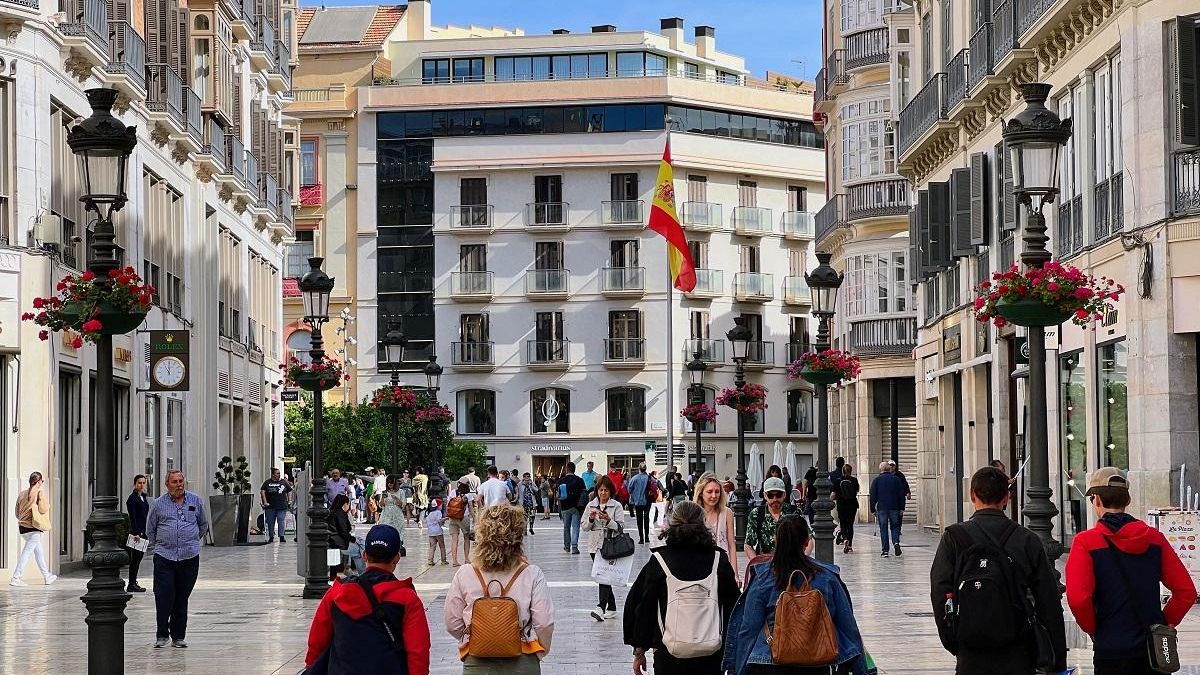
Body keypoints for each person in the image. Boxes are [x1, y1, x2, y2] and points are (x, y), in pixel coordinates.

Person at [930, 466, 1067, 675]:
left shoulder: (954, 537)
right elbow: (1048, 601)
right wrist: (1057, 659)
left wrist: (952, 639)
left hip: (970, 649)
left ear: (972, 495)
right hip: (1017, 646)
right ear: (1007, 497)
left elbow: (940, 592)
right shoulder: (1026, 539)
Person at [1065, 467, 1197, 675]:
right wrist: (1162, 623)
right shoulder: (1154, 538)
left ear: (1096, 500)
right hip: (1152, 648)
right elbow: (1186, 592)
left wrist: (1095, 629)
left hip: (1111, 648)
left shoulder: (1086, 542)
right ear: (1128, 500)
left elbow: (1078, 598)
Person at [723, 516, 869, 675]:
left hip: (769, 660)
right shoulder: (827, 577)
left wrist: (737, 669)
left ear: (776, 540)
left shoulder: (763, 578)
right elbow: (848, 626)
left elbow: (748, 629)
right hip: (818, 661)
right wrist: (861, 670)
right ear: (806, 542)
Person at [624, 501, 739, 675]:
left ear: (672, 523)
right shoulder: (718, 560)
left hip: (669, 655)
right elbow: (734, 606)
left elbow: (642, 606)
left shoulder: (660, 561)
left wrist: (639, 649)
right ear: (703, 524)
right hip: (711, 655)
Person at [304, 524, 431, 675]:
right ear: (397, 558)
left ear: (364, 555)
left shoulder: (337, 593)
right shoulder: (407, 599)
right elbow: (418, 652)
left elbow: (317, 643)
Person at [445, 505, 556, 675]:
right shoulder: (532, 574)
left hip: (477, 660)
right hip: (523, 658)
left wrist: (477, 638)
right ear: (517, 537)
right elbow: (544, 622)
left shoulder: (465, 573)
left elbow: (452, 622)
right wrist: (541, 650)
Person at [147, 470, 210, 648]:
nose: (179, 484)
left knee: (182, 597)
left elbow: (203, 525)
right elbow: (150, 529)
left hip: (189, 557)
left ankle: (178, 636)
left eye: (181, 481)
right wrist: (160, 544)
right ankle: (161, 634)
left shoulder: (195, 501)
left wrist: (190, 540)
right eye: (174, 481)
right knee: (163, 595)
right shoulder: (158, 504)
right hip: (164, 556)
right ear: (167, 485)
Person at [583, 475, 626, 621]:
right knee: (604, 576)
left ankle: (600, 607)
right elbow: (584, 527)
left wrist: (608, 520)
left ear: (610, 492)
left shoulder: (617, 506)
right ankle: (612, 607)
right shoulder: (590, 505)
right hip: (595, 545)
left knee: (603, 576)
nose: (603, 493)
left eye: (606, 491)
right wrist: (590, 518)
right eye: (601, 490)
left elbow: (620, 527)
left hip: (610, 545)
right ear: (597, 491)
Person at [11, 471, 56, 587]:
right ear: (39, 481)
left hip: (22, 528)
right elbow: (44, 509)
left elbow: (17, 513)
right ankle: (16, 577)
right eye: (42, 481)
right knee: (27, 553)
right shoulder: (38, 493)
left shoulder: (21, 494)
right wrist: (41, 498)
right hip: (33, 528)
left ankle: (47, 576)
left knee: (39, 552)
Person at [744, 477, 797, 562]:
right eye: (770, 495)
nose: (775, 499)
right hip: (765, 565)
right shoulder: (756, 514)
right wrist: (759, 565)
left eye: (778, 495)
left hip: (792, 564)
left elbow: (808, 541)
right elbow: (748, 545)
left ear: (784, 495)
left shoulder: (794, 512)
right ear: (765, 496)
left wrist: (801, 562)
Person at [693, 473, 737, 573]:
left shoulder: (727, 513)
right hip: (700, 567)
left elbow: (731, 544)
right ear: (701, 493)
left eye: (717, 492)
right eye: (709, 492)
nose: (714, 495)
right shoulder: (693, 514)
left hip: (722, 566)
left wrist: (735, 573)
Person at [868, 461, 906, 558]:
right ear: (889, 469)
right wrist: (902, 508)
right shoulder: (896, 479)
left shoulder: (876, 480)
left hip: (882, 508)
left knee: (883, 529)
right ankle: (896, 542)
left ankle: (885, 551)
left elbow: (873, 496)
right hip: (894, 507)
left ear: (881, 469)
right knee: (895, 526)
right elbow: (901, 494)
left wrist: (872, 509)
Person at [125, 474, 150, 592]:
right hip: (136, 534)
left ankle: (134, 582)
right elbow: (133, 517)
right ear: (135, 484)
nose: (142, 485)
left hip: (142, 532)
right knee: (135, 559)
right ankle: (131, 583)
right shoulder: (132, 499)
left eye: (144, 483)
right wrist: (136, 533)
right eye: (139, 483)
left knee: (139, 558)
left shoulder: (143, 497)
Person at [327, 494, 359, 580]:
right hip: (337, 541)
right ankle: (351, 570)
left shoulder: (332, 512)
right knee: (358, 548)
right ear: (344, 504)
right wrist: (352, 539)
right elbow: (343, 531)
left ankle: (345, 569)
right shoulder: (340, 514)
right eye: (348, 504)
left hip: (332, 539)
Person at [558, 462, 586, 554]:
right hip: (576, 507)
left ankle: (567, 546)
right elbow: (584, 493)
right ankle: (574, 547)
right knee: (575, 527)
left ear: (567, 469)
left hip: (565, 507)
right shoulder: (579, 480)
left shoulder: (561, 481)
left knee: (566, 527)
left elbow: (558, 495)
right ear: (574, 469)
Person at [259, 467, 292, 544]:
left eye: (279, 473)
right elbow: (262, 492)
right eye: (277, 473)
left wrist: (289, 500)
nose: (279, 475)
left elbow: (289, 490)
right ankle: (271, 536)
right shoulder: (267, 482)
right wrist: (265, 502)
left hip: (282, 505)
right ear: (273, 475)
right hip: (270, 506)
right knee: (270, 522)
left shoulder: (284, 482)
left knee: (281, 520)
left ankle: (281, 536)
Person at [834, 464, 860, 555]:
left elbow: (833, 494)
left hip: (841, 505)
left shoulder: (838, 481)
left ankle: (844, 539)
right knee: (850, 525)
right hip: (852, 505)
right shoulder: (854, 480)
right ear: (851, 471)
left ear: (842, 471)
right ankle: (850, 545)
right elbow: (857, 491)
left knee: (843, 524)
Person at [446, 481, 473, 566]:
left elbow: (448, 505)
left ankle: (454, 561)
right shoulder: (468, 495)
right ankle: (466, 559)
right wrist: (475, 519)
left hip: (453, 517)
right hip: (463, 518)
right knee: (466, 538)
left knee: (454, 539)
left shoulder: (453, 492)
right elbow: (471, 508)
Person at [626, 464, 651, 543]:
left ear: (639, 468)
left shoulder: (634, 478)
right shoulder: (649, 478)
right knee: (646, 519)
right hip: (647, 500)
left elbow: (629, 489)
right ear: (646, 469)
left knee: (639, 520)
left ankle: (641, 539)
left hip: (637, 502)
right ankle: (647, 537)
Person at [425, 498, 448, 565]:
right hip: (438, 532)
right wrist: (445, 519)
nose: (441, 506)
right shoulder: (438, 512)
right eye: (441, 505)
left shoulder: (429, 513)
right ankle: (443, 560)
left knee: (432, 546)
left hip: (431, 532)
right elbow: (439, 520)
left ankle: (430, 560)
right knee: (442, 546)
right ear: (438, 506)